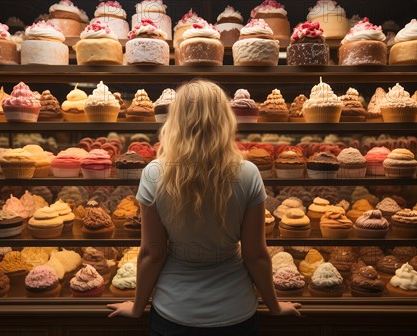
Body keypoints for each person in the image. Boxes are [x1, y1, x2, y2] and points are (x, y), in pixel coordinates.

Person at [108, 79, 301, 335]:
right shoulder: (247, 173)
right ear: (224, 119)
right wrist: (274, 306)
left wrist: (136, 306)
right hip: (236, 314)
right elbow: (255, 255)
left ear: (176, 120)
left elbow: (152, 253)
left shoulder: (155, 173)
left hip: (173, 313)